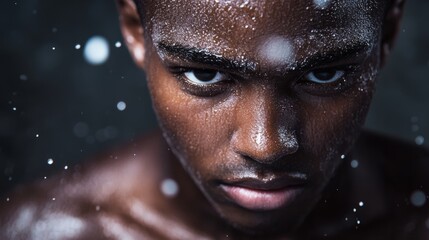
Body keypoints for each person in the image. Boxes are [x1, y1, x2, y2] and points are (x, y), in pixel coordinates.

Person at [1, 0, 429, 239]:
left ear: (386, 36)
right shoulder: (38, 234)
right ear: (135, 30)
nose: (267, 145)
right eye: (205, 75)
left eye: (324, 73)